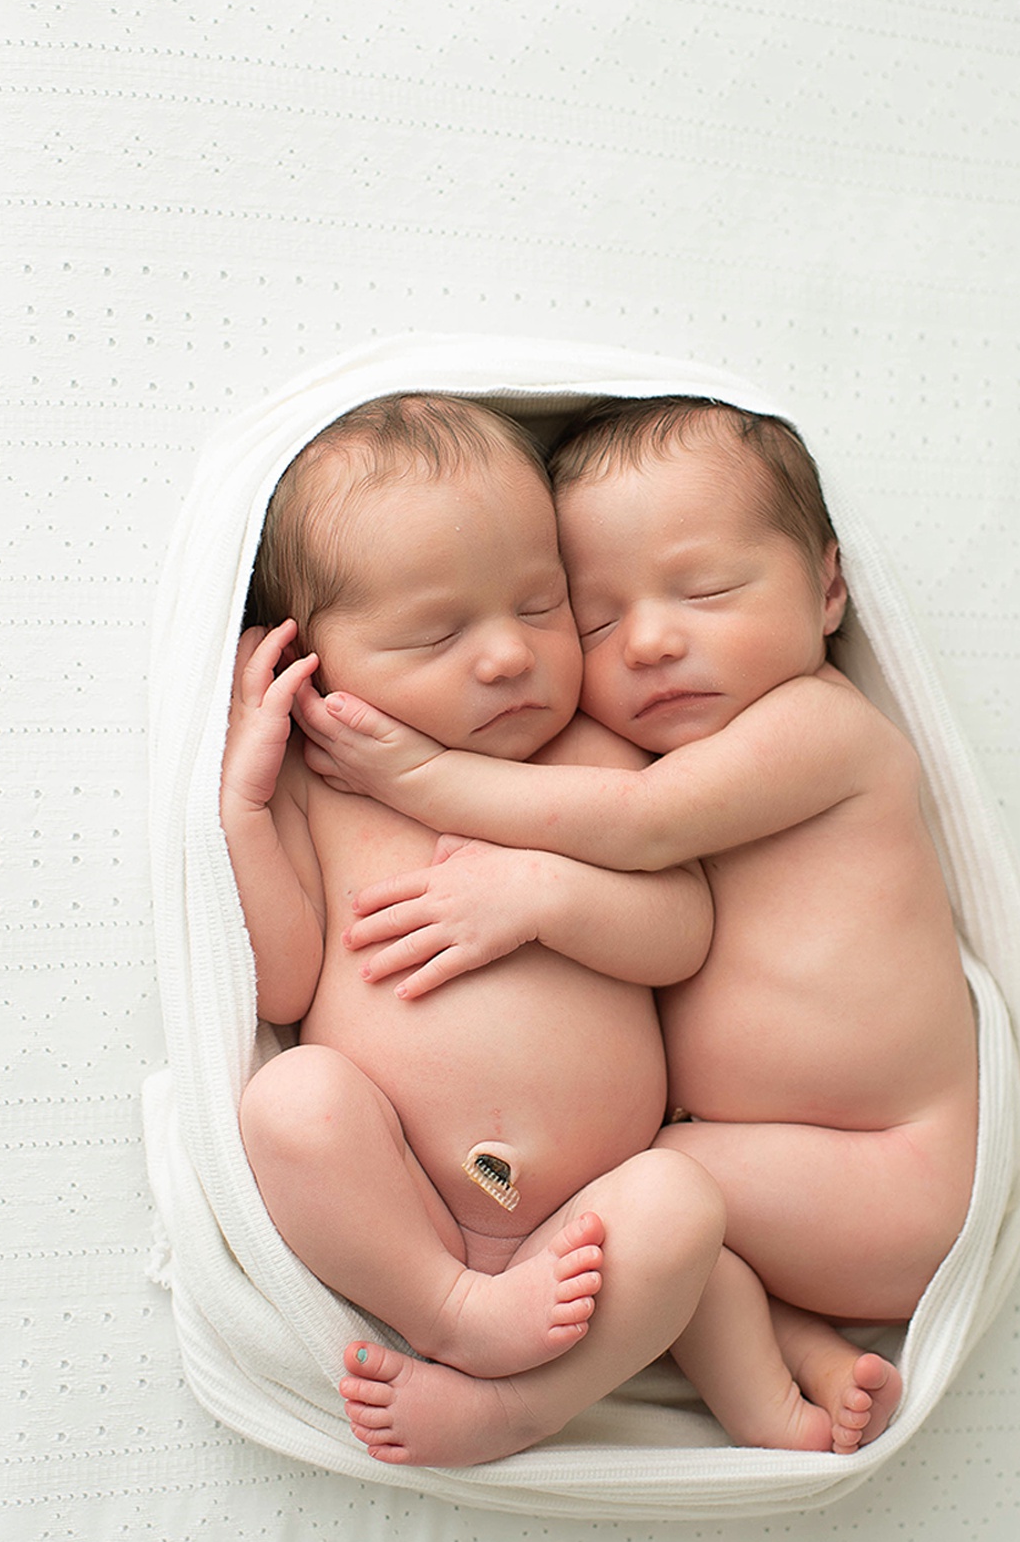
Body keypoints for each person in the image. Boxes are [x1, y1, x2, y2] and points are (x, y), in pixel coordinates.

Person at [299, 397, 977, 1455]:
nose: (652, 642)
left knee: (652, 1179)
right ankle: (786, 1364)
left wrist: (423, 775)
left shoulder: (820, 723)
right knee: (656, 1200)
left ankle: (516, 1405)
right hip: (779, 1168)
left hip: (888, 1168)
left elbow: (646, 826)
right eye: (598, 619)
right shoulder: (634, 746)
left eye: (706, 590)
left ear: (829, 587)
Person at [221, 393, 727, 1467]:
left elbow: (681, 932)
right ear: (309, 657)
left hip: (587, 1217)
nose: (505, 658)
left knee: (683, 1203)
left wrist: (543, 894)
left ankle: (512, 1410)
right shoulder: (325, 792)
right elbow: (278, 987)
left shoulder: (589, 763)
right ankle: (449, 1308)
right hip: (403, 1200)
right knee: (289, 1102)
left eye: (540, 608)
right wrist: (247, 815)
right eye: (437, 633)